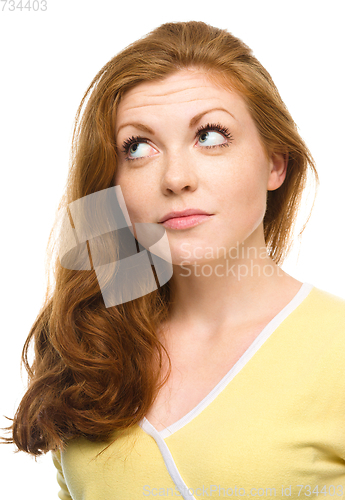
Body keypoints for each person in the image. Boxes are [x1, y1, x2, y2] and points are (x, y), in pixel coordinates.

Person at [3, 20, 345, 499]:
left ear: (275, 163)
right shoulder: (91, 348)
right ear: (111, 184)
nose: (176, 178)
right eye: (138, 147)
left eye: (210, 135)